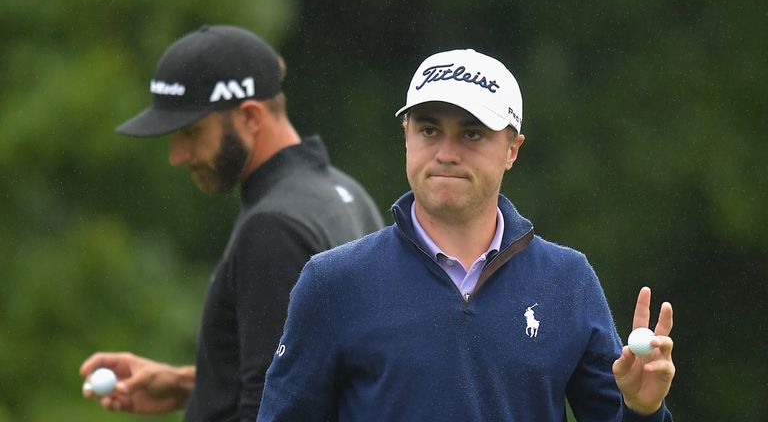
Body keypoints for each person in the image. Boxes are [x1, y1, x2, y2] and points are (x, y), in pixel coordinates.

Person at [257, 49, 675, 421]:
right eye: (429, 130)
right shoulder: (333, 282)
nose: (446, 153)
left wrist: (643, 411)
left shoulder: (567, 281)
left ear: (513, 149)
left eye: (472, 134)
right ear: (406, 136)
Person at [79, 25, 384, 421]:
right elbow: (319, 379)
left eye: (191, 132)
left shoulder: (274, 227)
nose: (177, 155)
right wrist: (194, 385)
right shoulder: (343, 192)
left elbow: (273, 407)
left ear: (250, 117)